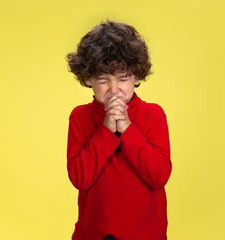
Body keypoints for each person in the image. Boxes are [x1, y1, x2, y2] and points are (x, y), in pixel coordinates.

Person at [66, 19, 172, 240]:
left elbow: (159, 176)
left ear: (137, 75)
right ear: (87, 79)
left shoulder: (153, 115)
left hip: (145, 235)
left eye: (123, 78)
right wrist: (106, 130)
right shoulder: (80, 117)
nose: (114, 89)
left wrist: (127, 128)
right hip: (93, 234)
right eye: (103, 80)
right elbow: (80, 178)